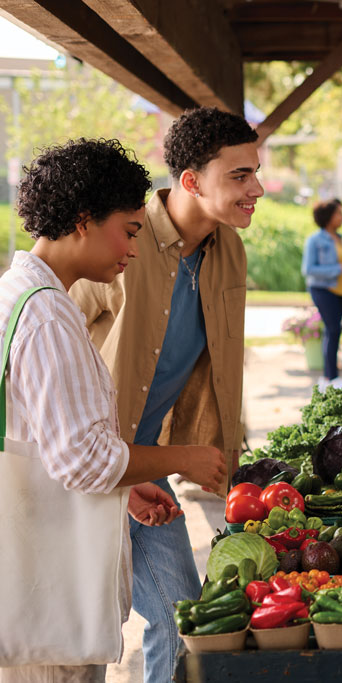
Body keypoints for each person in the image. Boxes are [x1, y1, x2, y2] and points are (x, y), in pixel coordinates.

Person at [0, 139, 225, 682]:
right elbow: (84, 459)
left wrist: (125, 487)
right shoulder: (50, 316)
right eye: (127, 230)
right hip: (51, 595)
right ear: (83, 220)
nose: (133, 248)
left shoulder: (17, 292)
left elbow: (51, 443)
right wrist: (186, 458)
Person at [68, 107, 262, 683]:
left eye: (256, 172)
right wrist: (114, 476)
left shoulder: (229, 248)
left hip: (146, 466)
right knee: (82, 639)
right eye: (240, 176)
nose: (256, 188)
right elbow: (47, 360)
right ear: (192, 181)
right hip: (81, 475)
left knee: (186, 623)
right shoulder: (116, 241)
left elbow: (220, 369)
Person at [302, 199, 342, 388]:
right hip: (323, 290)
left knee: (334, 331)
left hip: (341, 290)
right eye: (339, 213)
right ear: (328, 217)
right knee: (333, 329)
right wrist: (340, 268)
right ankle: (330, 377)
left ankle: (331, 376)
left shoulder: (339, 238)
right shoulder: (315, 240)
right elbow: (308, 269)